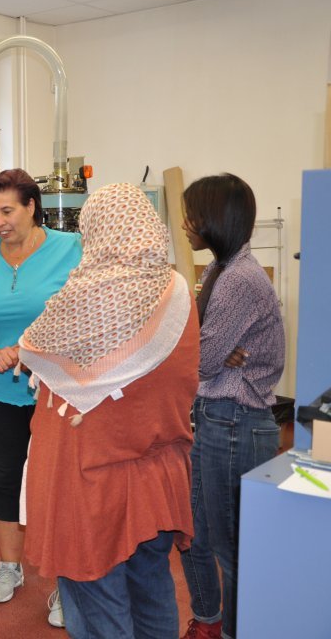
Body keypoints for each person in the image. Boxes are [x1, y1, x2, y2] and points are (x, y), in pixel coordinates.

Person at [20, 182, 200, 639]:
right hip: (158, 471)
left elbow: (32, 348)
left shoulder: (85, 298)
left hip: (91, 479)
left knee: (98, 599)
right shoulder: (178, 290)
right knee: (152, 587)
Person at [0, 168, 81, 624]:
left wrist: (35, 351)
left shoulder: (71, 249)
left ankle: (67, 583)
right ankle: (10, 567)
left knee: (59, 483)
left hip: (57, 391)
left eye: (7, 211)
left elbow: (88, 315)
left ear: (31, 206)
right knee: (6, 478)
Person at [178, 173, 285, 639]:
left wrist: (207, 350)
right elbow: (203, 349)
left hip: (236, 423)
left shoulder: (238, 279)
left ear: (216, 220)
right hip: (216, 419)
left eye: (193, 215)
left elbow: (199, 360)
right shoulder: (219, 271)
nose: (185, 224)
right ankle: (207, 620)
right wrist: (211, 349)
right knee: (193, 534)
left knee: (231, 549)